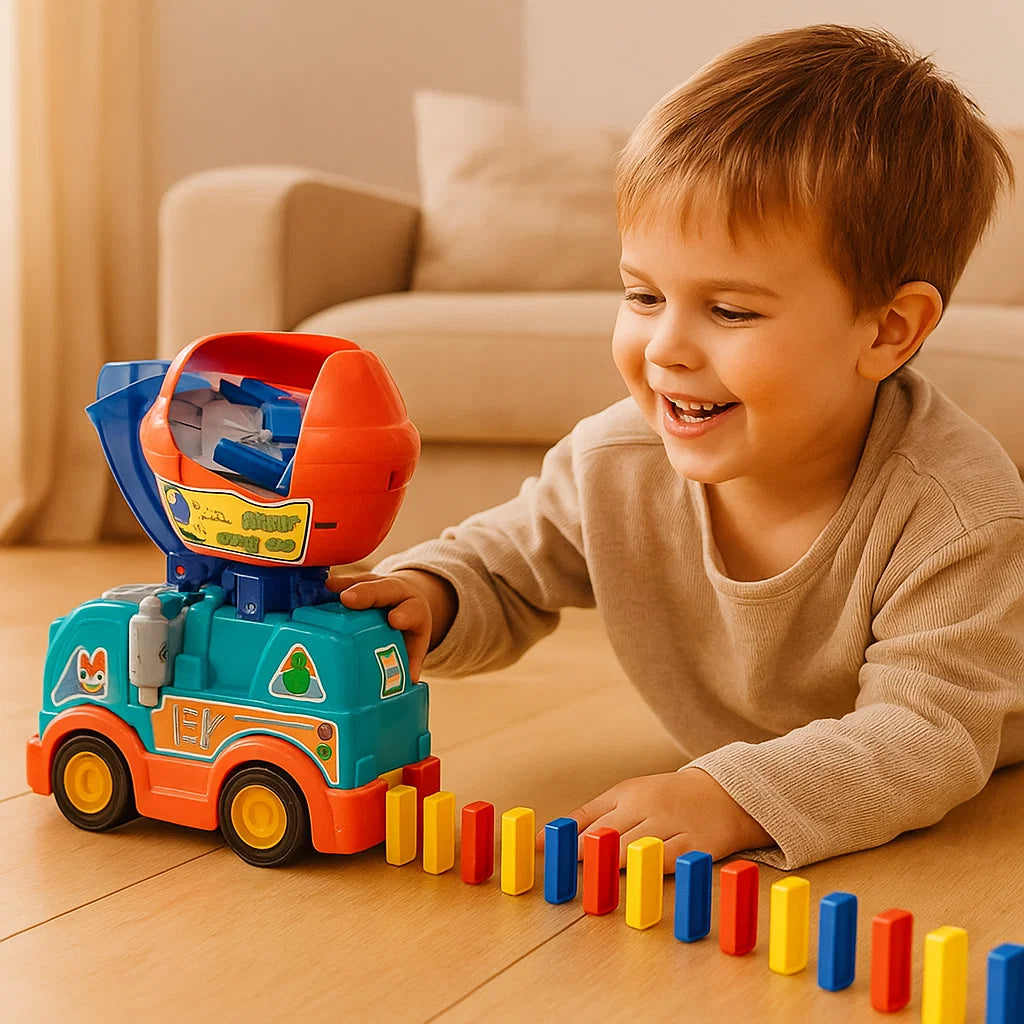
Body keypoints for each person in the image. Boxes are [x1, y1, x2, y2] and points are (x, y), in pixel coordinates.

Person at [327, 23, 1024, 871]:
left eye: (730, 311)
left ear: (888, 331)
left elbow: (925, 735)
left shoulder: (957, 512)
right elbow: (502, 566)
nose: (666, 349)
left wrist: (729, 798)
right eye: (644, 296)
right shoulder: (616, 461)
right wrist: (427, 594)